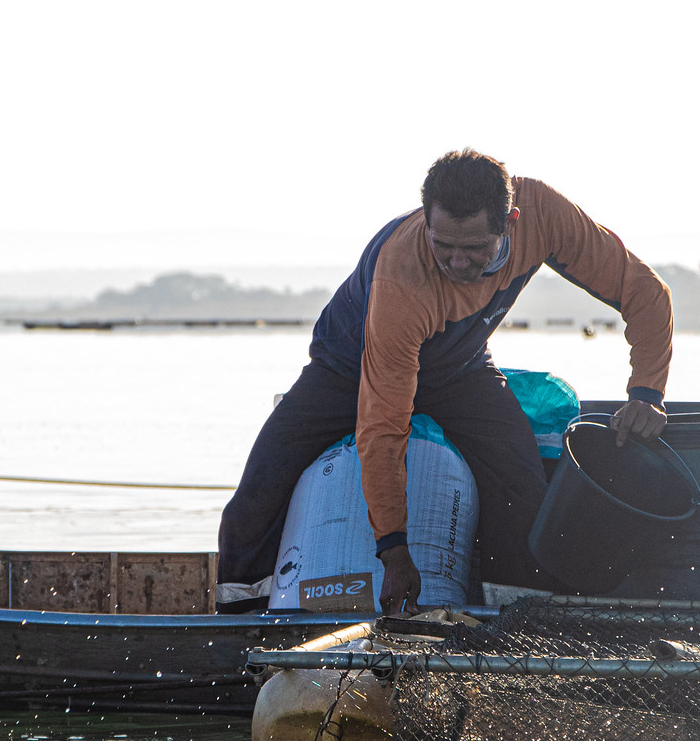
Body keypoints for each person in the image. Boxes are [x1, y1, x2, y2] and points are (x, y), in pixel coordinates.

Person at [216, 149, 674, 613]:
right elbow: (381, 430)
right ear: (426, 221)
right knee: (262, 484)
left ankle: (512, 613)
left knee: (520, 478)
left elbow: (645, 290)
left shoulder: (545, 215)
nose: (458, 264)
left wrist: (646, 393)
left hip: (460, 364)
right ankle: (239, 618)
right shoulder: (403, 278)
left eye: (475, 249)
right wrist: (394, 553)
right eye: (444, 247)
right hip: (349, 365)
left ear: (511, 221)